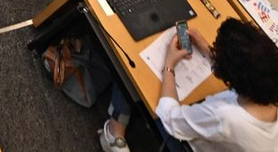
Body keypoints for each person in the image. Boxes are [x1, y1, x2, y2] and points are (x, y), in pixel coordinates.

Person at [103, 18, 278, 152]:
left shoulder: (225, 116)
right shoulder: (266, 86)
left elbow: (170, 118)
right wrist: (211, 52)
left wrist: (169, 65)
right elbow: (248, 72)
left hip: (186, 143)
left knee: (131, 72)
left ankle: (113, 134)